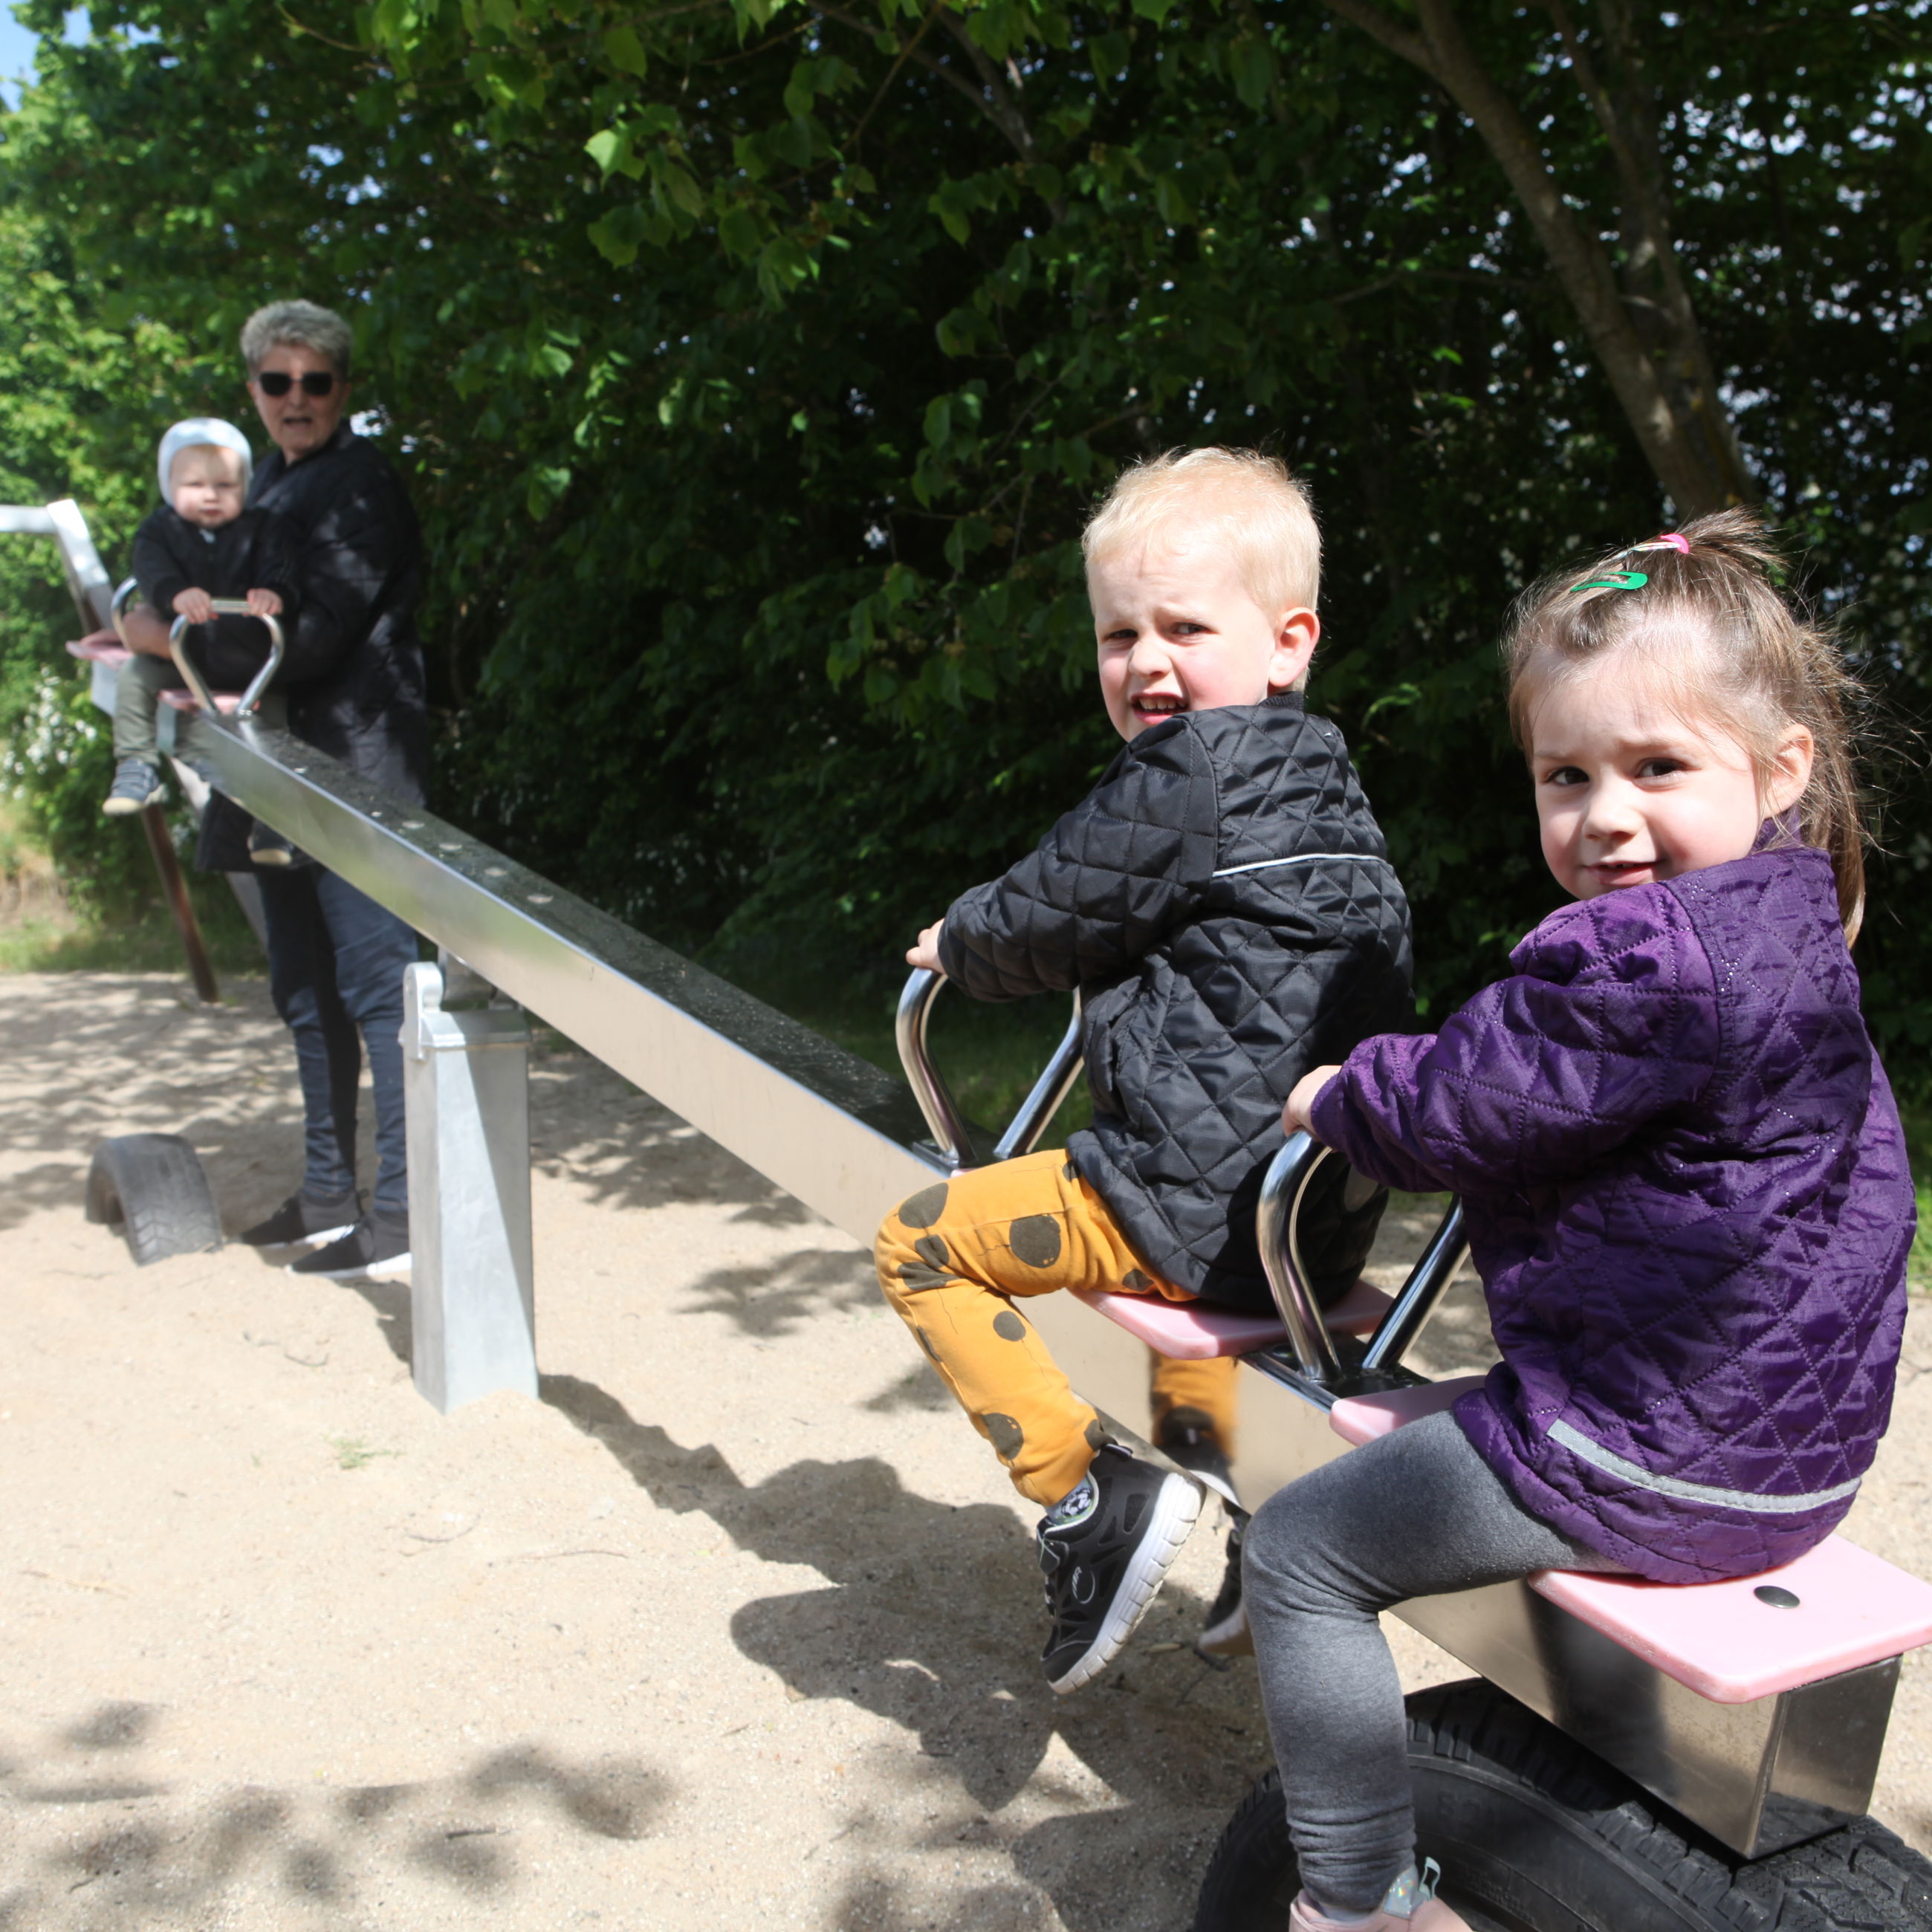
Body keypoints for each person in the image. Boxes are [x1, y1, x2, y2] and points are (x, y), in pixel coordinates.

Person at [1245, 510, 1915, 1932]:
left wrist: (1337, 1094)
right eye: (1566, 774)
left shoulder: (1657, 959)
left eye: (1655, 767)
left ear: (1781, 766)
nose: (1604, 813)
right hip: (1797, 1461)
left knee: (1298, 1552)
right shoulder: (1800, 924)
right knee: (1415, 1432)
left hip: (1659, 1463)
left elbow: (1461, 1106)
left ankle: (1356, 1902)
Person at [874, 448, 1415, 1693]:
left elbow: (1058, 905)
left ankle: (1084, 1498)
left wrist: (959, 937)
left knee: (921, 1241)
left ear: (1289, 642)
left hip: (1180, 1200)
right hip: (1307, 1225)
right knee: (1196, 1327)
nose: (1147, 663)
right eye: (1119, 634)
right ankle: (1253, 1520)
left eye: (1183, 627)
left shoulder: (1188, 774)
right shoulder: (1326, 779)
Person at [120, 299, 428, 1278]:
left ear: (343, 390)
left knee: (378, 991)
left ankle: (405, 1214)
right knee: (304, 989)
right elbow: (181, 574)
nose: (296, 399)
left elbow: (318, 634)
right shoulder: (267, 496)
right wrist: (152, 613)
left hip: (352, 769)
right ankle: (331, 1193)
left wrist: (170, 641)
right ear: (254, 390)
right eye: (277, 382)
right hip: (276, 769)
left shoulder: (355, 489)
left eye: (317, 382)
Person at [105, 418, 301, 866]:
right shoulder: (161, 530)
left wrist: (275, 592)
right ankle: (136, 764)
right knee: (135, 675)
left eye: (225, 485)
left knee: (271, 722)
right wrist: (176, 594)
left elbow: (283, 567)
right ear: (169, 484)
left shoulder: (264, 527)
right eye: (194, 484)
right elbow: (151, 570)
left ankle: (274, 822)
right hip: (183, 654)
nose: (210, 495)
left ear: (245, 487)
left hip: (245, 661)